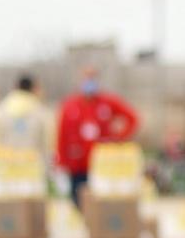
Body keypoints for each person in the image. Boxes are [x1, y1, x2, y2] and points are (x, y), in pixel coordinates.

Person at [56, 67, 139, 209]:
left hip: (103, 165)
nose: (89, 82)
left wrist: (118, 138)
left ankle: (99, 228)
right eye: (86, 78)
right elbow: (61, 135)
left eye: (92, 78)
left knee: (102, 205)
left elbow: (132, 118)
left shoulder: (108, 102)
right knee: (79, 201)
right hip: (78, 165)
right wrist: (61, 162)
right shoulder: (70, 105)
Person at [0, 75, 53, 161]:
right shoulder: (41, 111)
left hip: (7, 164)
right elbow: (47, 141)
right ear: (34, 88)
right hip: (33, 165)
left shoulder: (0, 110)